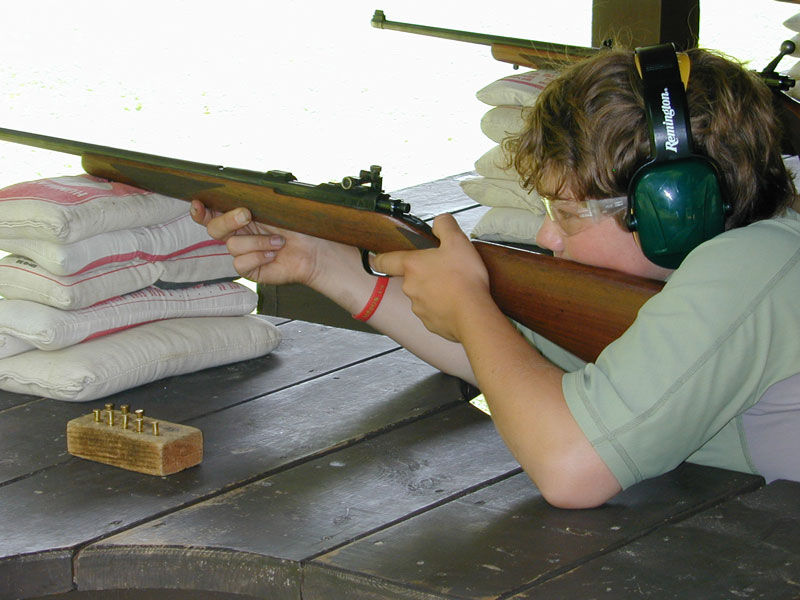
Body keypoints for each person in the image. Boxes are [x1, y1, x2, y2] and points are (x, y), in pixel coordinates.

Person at [191, 46, 800, 509]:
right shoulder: (737, 260)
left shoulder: (757, 264)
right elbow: (512, 368)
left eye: (566, 214)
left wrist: (470, 301)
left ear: (674, 205)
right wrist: (322, 262)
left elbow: (572, 467)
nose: (548, 237)